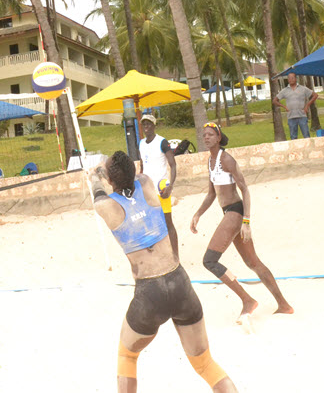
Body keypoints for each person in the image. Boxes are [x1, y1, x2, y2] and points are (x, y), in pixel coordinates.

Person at [89, 151, 238, 393]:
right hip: (179, 281)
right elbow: (133, 177)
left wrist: (96, 175)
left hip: (150, 292)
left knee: (127, 357)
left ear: (110, 180)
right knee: (205, 364)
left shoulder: (105, 205)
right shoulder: (146, 183)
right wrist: (110, 172)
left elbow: (98, 191)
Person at [190, 123, 293, 324]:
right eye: (204, 135)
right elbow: (212, 194)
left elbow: (245, 189)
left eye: (211, 134)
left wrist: (246, 221)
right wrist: (198, 214)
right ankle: (284, 305)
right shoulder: (210, 162)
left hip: (236, 212)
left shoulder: (226, 159)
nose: (207, 137)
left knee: (209, 260)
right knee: (252, 262)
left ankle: (247, 300)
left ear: (219, 137)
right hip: (228, 212)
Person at [138, 114, 178, 254]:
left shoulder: (162, 142)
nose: (146, 127)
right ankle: (159, 253)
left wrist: (170, 187)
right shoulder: (141, 143)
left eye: (149, 124)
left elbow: (173, 165)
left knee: (168, 223)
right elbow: (143, 166)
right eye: (144, 124)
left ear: (154, 126)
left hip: (162, 188)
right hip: (148, 190)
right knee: (150, 223)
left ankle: (175, 255)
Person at [273, 72, 318, 139]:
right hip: (291, 117)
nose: (290, 79)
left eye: (292, 78)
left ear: (296, 79)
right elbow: (275, 101)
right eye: (289, 78)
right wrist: (284, 106)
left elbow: (315, 95)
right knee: (293, 137)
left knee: (306, 135)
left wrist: (307, 105)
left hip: (302, 115)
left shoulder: (303, 89)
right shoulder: (284, 91)